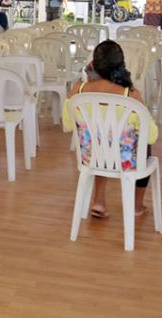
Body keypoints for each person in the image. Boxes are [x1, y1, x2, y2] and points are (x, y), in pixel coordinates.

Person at [64, 40, 157, 218]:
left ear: (93, 64)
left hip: (91, 158)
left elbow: (68, 124)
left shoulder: (79, 90)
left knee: (101, 141)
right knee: (143, 146)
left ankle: (98, 201)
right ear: (121, 65)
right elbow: (151, 135)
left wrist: (88, 79)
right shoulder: (130, 95)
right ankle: (136, 206)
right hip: (125, 161)